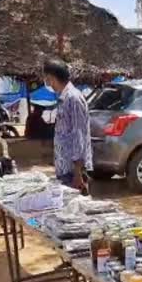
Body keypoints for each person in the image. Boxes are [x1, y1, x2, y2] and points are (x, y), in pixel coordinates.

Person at [43, 58, 92, 193]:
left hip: (73, 171)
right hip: (65, 169)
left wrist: (78, 173)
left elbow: (79, 135)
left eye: (48, 79)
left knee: (77, 209)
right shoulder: (64, 98)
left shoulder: (73, 98)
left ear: (52, 78)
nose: (48, 83)